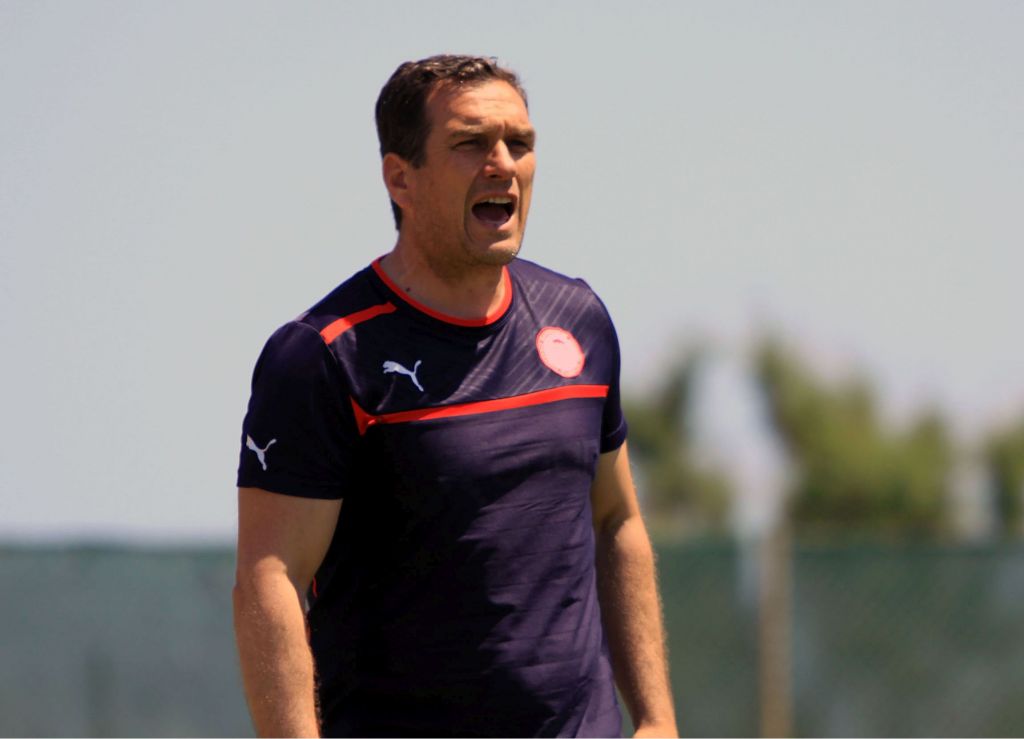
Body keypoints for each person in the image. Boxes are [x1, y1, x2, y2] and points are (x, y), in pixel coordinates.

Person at [233, 54, 677, 738]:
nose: (503, 164)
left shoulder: (579, 318)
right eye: (471, 143)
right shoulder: (322, 356)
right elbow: (271, 578)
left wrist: (655, 718)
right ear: (400, 178)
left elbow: (615, 518)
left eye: (519, 143)